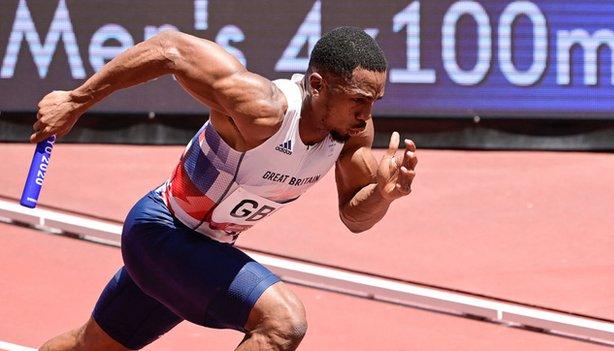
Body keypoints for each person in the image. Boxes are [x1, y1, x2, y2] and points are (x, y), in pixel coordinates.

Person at [32, 26, 417, 351]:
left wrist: (383, 194)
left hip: (201, 251)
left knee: (89, 346)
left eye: (374, 102)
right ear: (317, 85)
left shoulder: (352, 132)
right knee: (282, 321)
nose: (366, 115)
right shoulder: (262, 110)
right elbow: (170, 48)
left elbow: (354, 215)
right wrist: (76, 99)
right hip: (160, 232)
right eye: (358, 101)